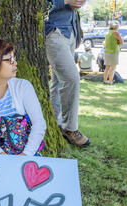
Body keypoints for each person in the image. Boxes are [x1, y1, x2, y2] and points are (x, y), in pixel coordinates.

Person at [45, 0, 90, 147]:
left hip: (70, 32)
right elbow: (38, 6)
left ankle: (55, 122)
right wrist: (66, 1)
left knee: (58, 81)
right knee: (72, 79)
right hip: (54, 31)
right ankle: (70, 128)